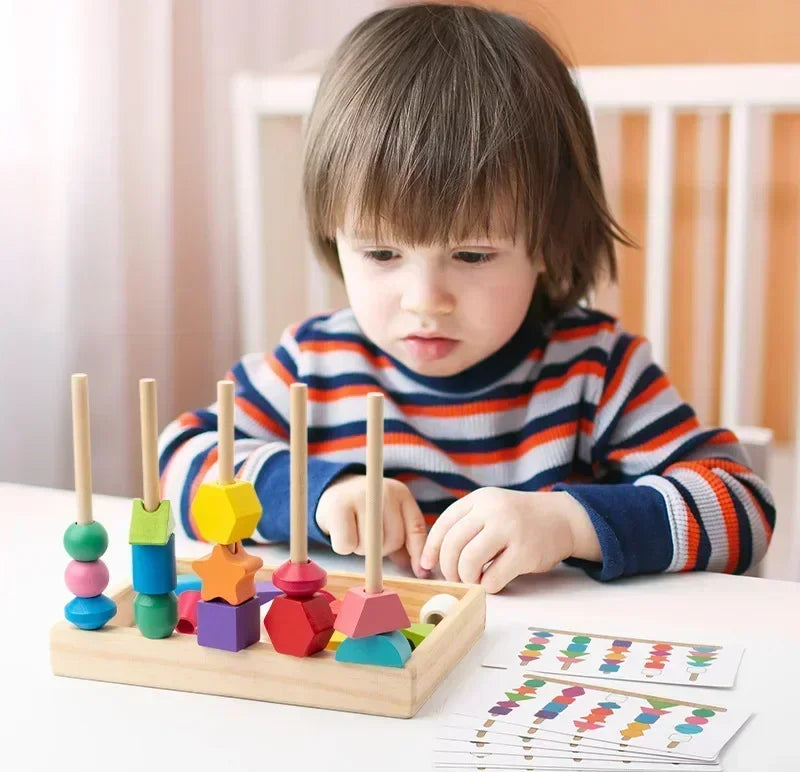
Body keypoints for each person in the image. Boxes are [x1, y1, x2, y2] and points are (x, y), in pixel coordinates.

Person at [158, 3, 774, 593]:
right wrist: (316, 495)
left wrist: (569, 523)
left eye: (473, 256)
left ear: (546, 242)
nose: (426, 301)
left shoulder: (595, 372)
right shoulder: (314, 365)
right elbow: (180, 460)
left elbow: (742, 505)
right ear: (332, 236)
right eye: (382, 254)